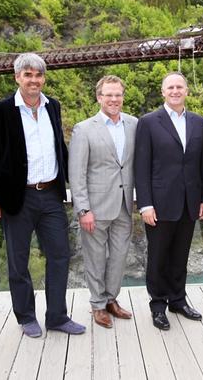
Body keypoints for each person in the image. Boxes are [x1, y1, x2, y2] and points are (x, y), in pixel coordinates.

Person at [0, 52, 85, 337]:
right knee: (18, 260)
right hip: (17, 198)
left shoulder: (53, 106)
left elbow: (59, 147)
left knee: (60, 256)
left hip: (51, 193)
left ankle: (57, 317)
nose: (34, 80)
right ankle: (26, 316)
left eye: (38, 75)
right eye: (28, 75)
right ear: (17, 77)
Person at [134, 72, 203, 331]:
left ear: (186, 91)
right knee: (158, 257)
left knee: (180, 256)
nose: (175, 91)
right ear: (163, 92)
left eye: (180, 87)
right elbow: (141, 166)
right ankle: (157, 305)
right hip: (158, 204)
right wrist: (145, 204)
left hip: (189, 202)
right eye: (170, 87)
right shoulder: (148, 122)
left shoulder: (198, 122)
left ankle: (178, 300)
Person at [68, 75, 137, 329]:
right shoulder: (84, 128)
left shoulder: (134, 124)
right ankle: (97, 305)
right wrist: (83, 208)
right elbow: (77, 173)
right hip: (95, 208)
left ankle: (111, 300)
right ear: (99, 97)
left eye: (118, 94)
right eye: (108, 95)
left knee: (119, 258)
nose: (114, 99)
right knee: (95, 258)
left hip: (124, 205)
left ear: (123, 96)